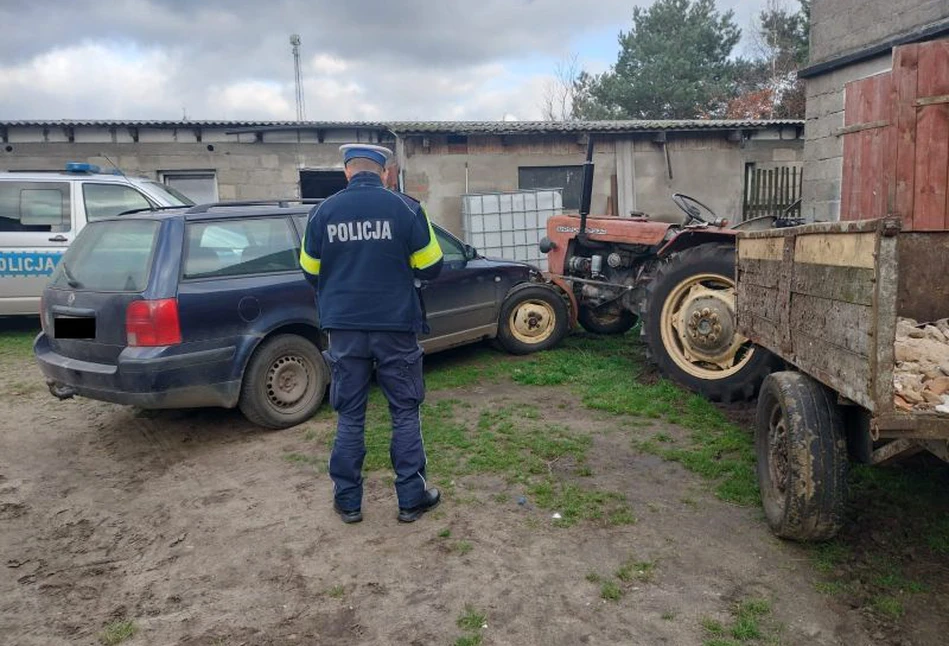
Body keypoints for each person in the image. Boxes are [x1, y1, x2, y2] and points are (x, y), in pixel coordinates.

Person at [299, 143, 444, 524]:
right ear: (384, 172)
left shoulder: (322, 212)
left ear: (346, 171)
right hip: (396, 325)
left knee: (349, 415)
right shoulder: (406, 208)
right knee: (404, 411)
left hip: (343, 329)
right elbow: (432, 266)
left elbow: (310, 272)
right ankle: (411, 499)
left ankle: (348, 502)